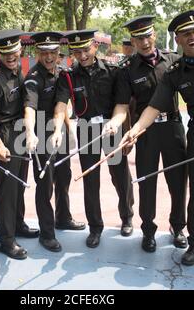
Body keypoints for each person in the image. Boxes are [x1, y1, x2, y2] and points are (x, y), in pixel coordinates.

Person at [121, 10, 194, 266]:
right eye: (186, 34)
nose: (192, 37)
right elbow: (154, 106)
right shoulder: (175, 72)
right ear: (177, 39)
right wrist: (135, 130)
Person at [56, 29, 135, 248]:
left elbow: (122, 105)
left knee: (120, 175)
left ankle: (127, 216)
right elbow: (62, 104)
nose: (82, 55)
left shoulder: (113, 71)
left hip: (111, 128)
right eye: (77, 51)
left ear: (95, 46)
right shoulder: (69, 75)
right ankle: (95, 227)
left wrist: (116, 124)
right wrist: (56, 127)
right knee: (90, 180)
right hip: (86, 130)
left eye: (85, 49)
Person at [118, 15, 188, 253]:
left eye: (147, 36)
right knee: (146, 182)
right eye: (138, 38)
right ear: (133, 41)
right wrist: (127, 133)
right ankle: (148, 231)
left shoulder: (175, 60)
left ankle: (178, 227)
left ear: (154, 35)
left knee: (178, 181)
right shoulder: (128, 69)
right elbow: (125, 105)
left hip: (173, 128)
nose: (144, 42)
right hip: (145, 132)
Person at [23, 31, 85, 252]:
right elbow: (29, 108)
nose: (49, 57)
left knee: (63, 176)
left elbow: (61, 104)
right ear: (37, 53)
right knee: (45, 185)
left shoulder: (61, 73)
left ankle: (63, 217)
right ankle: (47, 233)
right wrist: (30, 132)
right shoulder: (33, 78)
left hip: (59, 130)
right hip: (41, 132)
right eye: (43, 52)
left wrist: (68, 130)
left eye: (53, 52)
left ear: (59, 52)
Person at [0, 29, 39, 260]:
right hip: (4, 136)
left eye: (13, 51)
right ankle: (6, 239)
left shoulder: (18, 72)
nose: (10, 56)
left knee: (19, 184)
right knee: (6, 190)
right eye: (5, 53)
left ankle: (18, 224)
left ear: (20, 49)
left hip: (19, 134)